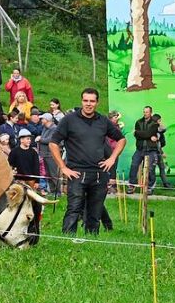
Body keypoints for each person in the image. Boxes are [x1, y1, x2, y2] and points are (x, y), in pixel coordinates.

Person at [50, 88, 125, 235]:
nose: (88, 104)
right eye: (85, 100)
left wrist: (112, 158)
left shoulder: (103, 121)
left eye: (92, 101)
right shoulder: (69, 120)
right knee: (74, 208)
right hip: (76, 172)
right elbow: (53, 143)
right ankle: (67, 239)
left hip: (99, 173)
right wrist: (63, 167)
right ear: (81, 101)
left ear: (97, 102)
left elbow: (121, 139)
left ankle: (91, 240)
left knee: (95, 211)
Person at [128, 105, 160, 194]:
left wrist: (140, 133)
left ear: (150, 113)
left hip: (151, 150)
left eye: (147, 112)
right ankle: (132, 185)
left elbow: (148, 133)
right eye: (144, 112)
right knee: (134, 165)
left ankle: (150, 187)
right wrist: (147, 135)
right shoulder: (138, 122)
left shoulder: (154, 123)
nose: (145, 113)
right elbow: (139, 135)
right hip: (140, 149)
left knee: (150, 169)